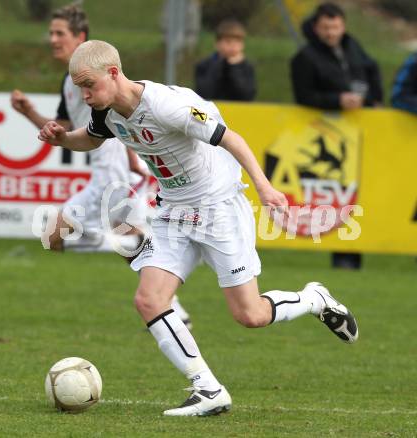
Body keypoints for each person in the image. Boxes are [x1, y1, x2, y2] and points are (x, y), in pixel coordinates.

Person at [39, 39, 359, 417]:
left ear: (113, 72)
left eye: (88, 85)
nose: (84, 94)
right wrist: (63, 138)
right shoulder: (107, 113)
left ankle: (314, 299)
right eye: (79, 88)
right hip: (174, 211)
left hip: (218, 208)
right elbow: (89, 139)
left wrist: (265, 187)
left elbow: (231, 139)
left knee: (250, 315)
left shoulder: (167, 106)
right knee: (149, 300)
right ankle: (207, 388)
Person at [11, 5, 192, 327]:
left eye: (59, 33)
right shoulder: (71, 84)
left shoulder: (98, 76)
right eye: (50, 32)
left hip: (115, 167)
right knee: (112, 241)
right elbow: (62, 131)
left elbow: (125, 119)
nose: (52, 39)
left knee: (60, 234)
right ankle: (169, 297)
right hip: (105, 167)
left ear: (80, 37)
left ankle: (162, 260)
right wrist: (29, 114)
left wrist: (132, 159)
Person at [290, 2, 383, 269]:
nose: (331, 32)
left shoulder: (354, 48)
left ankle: (355, 253)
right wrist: (337, 100)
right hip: (327, 136)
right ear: (316, 28)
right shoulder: (305, 57)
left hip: (360, 135)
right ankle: (341, 255)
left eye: (336, 27)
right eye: (326, 27)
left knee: (360, 194)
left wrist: (373, 100)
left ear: (343, 26)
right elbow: (303, 96)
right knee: (336, 197)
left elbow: (372, 73)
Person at [194, 19, 256, 101]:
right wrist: (219, 65)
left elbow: (247, 96)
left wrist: (234, 67)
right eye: (228, 42)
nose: (233, 46)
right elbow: (204, 93)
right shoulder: (204, 65)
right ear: (217, 44)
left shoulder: (246, 67)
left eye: (237, 42)